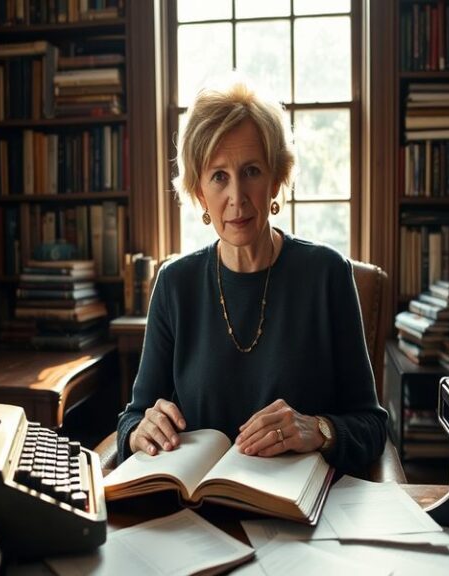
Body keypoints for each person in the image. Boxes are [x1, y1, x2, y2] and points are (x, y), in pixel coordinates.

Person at [116, 78, 387, 475]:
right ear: (198, 191)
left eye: (252, 171)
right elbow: (133, 418)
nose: (237, 197)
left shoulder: (328, 275)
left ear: (276, 180)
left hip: (301, 518)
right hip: (197, 515)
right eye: (219, 176)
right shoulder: (175, 283)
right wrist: (141, 430)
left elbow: (372, 424)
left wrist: (321, 429)